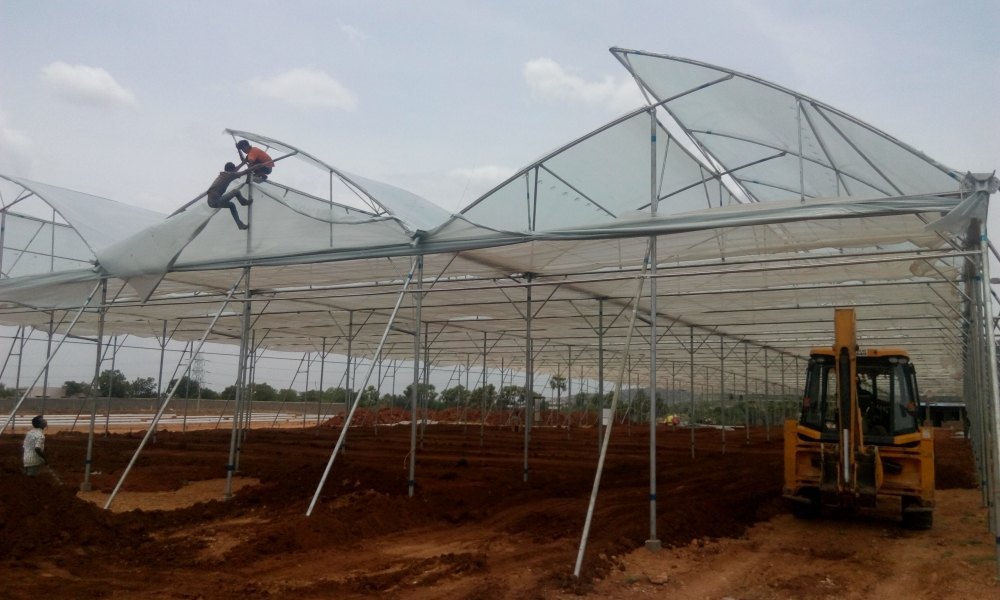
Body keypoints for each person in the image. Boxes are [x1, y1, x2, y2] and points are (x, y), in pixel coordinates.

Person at [206, 162, 252, 230]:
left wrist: (244, 162)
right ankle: (243, 202)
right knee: (236, 191)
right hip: (215, 200)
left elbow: (235, 170)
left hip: (211, 202)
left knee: (231, 205)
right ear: (230, 169)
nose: (235, 171)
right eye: (233, 169)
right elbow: (244, 172)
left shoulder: (225, 174)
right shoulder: (229, 175)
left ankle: (240, 224)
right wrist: (256, 166)